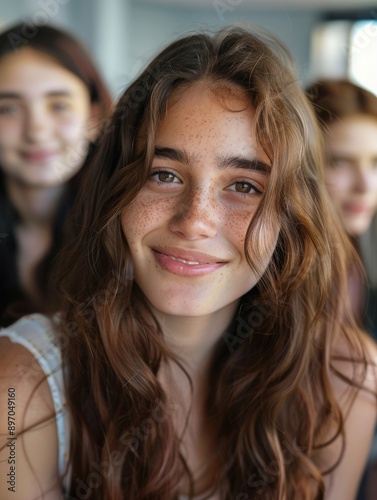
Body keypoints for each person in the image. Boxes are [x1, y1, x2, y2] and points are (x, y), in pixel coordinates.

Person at [0, 26, 376, 500]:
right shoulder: (18, 390)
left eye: (244, 186)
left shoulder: (346, 378)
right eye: (164, 174)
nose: (195, 221)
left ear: (291, 218)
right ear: (115, 191)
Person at [0, 22, 112, 326]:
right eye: (8, 109)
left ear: (94, 117)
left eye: (59, 105)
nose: (36, 131)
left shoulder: (124, 227)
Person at [306, 79, 377, 500]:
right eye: (340, 162)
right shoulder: (287, 271)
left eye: (375, 162)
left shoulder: (348, 260)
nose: (365, 185)